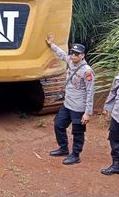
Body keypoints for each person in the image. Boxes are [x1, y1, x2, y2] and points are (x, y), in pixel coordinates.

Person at [45, 33, 95, 165]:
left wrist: (87, 113)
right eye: (72, 53)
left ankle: (75, 155)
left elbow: (90, 92)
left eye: (76, 54)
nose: (73, 56)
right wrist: (51, 44)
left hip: (79, 107)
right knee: (58, 125)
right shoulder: (70, 62)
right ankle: (63, 148)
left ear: (82, 56)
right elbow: (61, 54)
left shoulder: (87, 71)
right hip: (67, 104)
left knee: (77, 132)